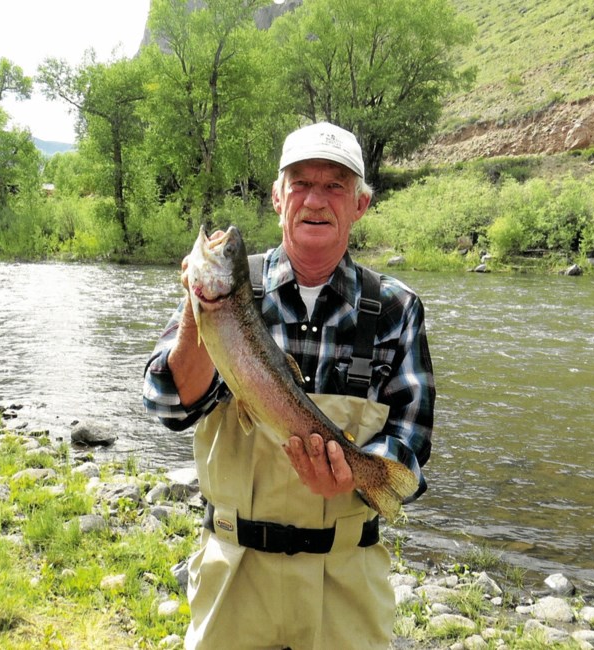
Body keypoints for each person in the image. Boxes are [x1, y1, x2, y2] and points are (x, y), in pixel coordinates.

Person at [143, 122, 435, 650]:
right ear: (278, 198)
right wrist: (198, 310)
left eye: (334, 186)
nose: (315, 200)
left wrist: (352, 476)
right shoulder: (227, 289)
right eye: (300, 183)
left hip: (346, 579)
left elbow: (411, 437)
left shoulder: (396, 307)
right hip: (234, 573)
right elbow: (167, 405)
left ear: (360, 205)